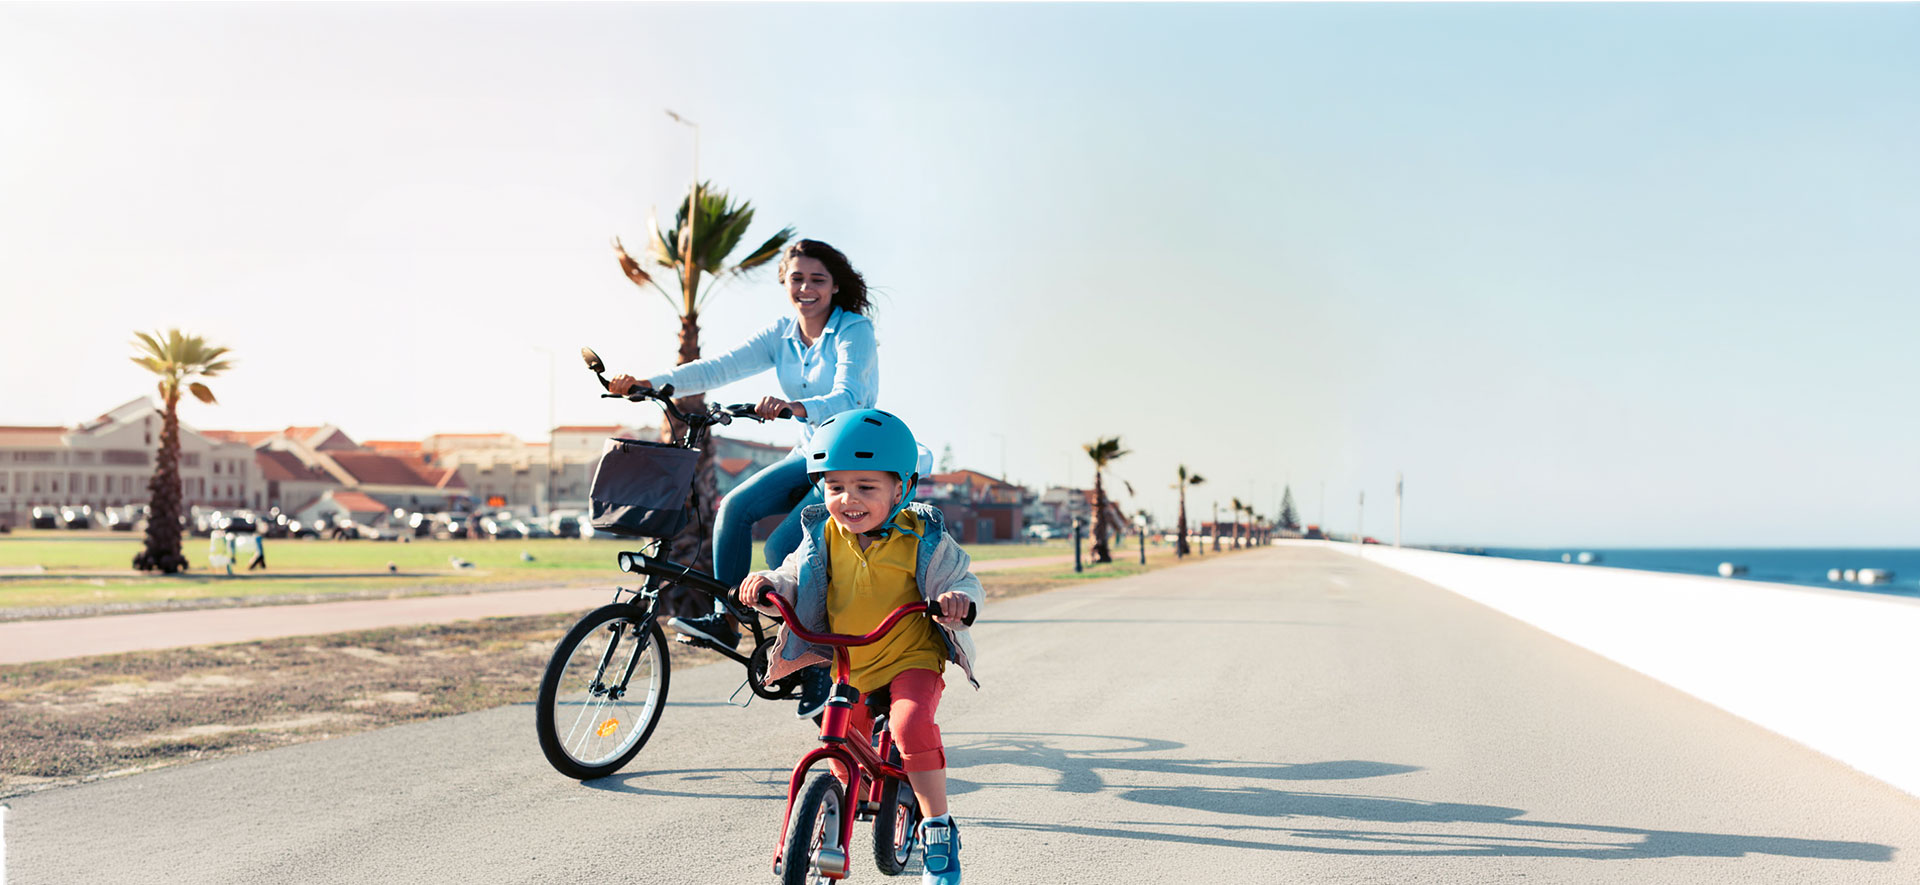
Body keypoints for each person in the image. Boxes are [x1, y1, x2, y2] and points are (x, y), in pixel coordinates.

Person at [608, 239, 882, 717]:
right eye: (797, 279)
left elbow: (851, 395)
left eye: (817, 279)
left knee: (782, 548)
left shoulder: (852, 330)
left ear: (835, 286)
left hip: (849, 457)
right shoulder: (781, 334)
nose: (806, 288)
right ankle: (726, 619)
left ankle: (816, 660)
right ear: (785, 283)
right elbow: (721, 366)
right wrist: (652, 383)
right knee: (733, 508)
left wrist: (797, 407)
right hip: (807, 451)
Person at [739, 409, 981, 885]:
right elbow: (793, 574)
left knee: (911, 725)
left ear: (901, 489)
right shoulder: (824, 535)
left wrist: (959, 602)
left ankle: (937, 829)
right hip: (852, 661)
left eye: (866, 487)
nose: (848, 500)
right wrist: (768, 582)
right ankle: (835, 810)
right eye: (835, 487)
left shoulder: (922, 536)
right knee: (839, 738)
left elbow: (963, 580)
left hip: (911, 657)